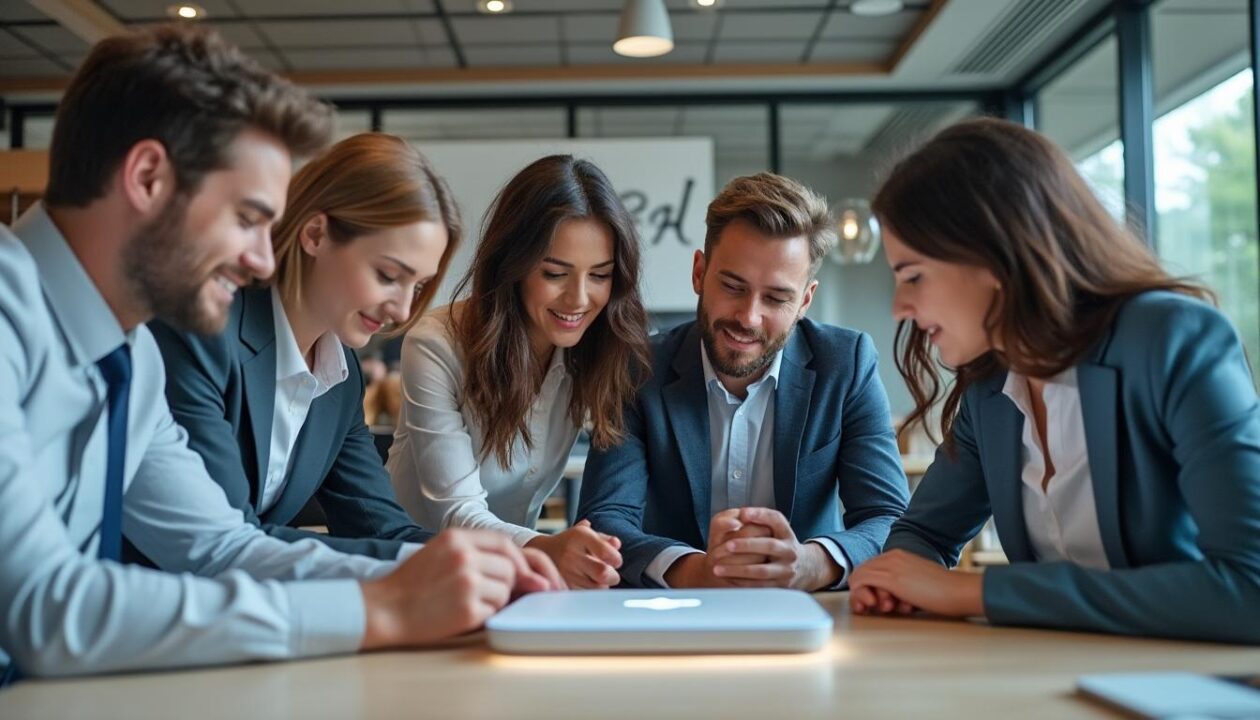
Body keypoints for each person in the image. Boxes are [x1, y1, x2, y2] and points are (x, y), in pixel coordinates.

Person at [0, 24, 560, 682]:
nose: (264, 260)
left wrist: (442, 571)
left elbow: (218, 547)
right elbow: (42, 608)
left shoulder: (134, 360)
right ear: (148, 178)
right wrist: (376, 611)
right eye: (246, 218)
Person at [848, 117, 1260, 644]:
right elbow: (923, 533)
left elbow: (1249, 586)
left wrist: (977, 593)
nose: (899, 307)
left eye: (913, 276)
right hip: (1048, 671)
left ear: (994, 253)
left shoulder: (1172, 339)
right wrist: (896, 582)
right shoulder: (990, 387)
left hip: (1185, 677)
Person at [579, 172, 910, 590]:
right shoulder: (636, 367)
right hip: (674, 610)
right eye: (733, 287)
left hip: (810, 608)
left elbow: (890, 518)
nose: (749, 317)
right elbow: (604, 520)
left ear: (805, 300)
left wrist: (809, 564)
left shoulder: (846, 364)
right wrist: (697, 571)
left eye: (776, 298)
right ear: (699, 272)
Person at [142, 133, 459, 561]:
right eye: (388, 275)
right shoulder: (205, 331)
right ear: (315, 235)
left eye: (417, 286)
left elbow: (380, 527)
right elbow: (228, 537)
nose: (403, 310)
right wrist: (439, 563)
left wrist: (498, 556)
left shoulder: (340, 376)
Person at [388, 155, 651, 589]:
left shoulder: (597, 350)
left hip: (514, 578)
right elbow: (456, 512)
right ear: (513, 263)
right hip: (414, 573)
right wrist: (548, 548)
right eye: (555, 273)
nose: (578, 299)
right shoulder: (436, 344)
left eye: (600, 275)